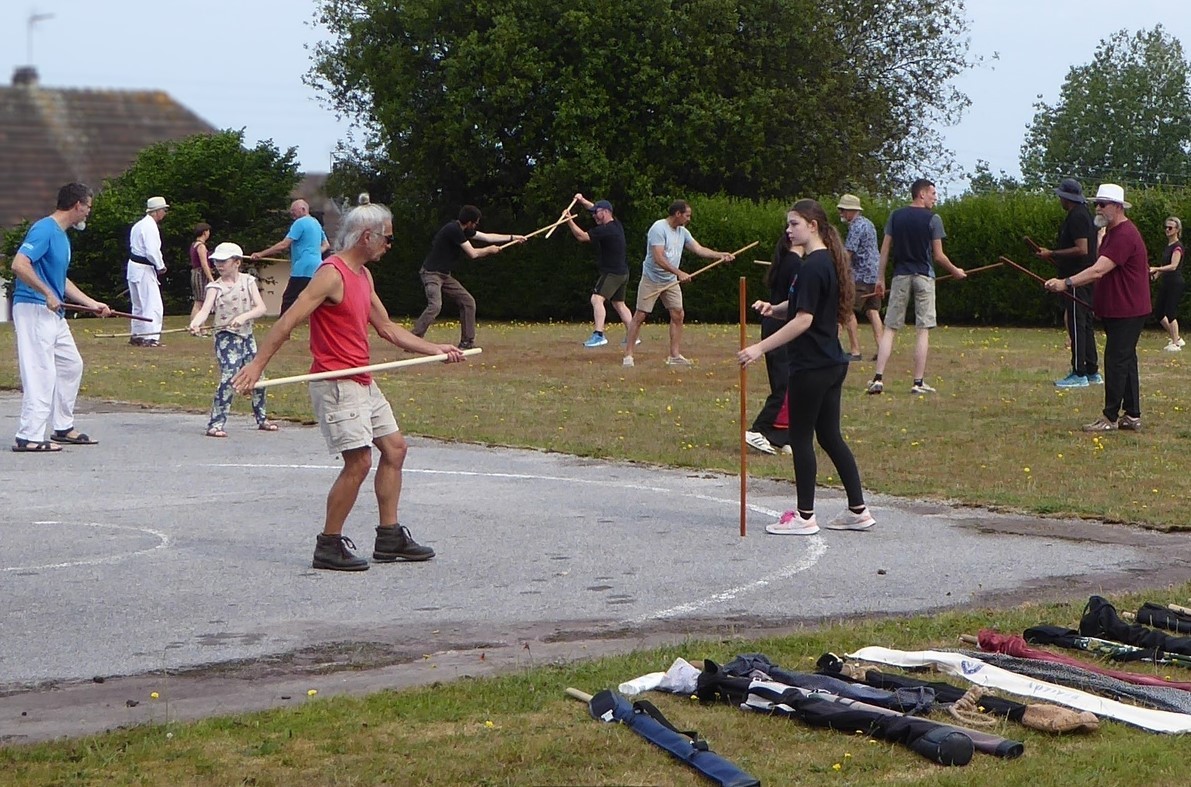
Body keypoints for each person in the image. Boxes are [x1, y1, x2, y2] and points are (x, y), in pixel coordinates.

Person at [232, 201, 466, 571]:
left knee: (395, 449)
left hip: (362, 378)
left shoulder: (363, 276)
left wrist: (436, 348)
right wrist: (257, 365)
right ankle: (328, 544)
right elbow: (288, 321)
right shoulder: (332, 274)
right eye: (387, 238)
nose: (390, 245)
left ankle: (389, 537)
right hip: (336, 382)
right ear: (367, 236)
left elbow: (387, 328)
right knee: (358, 462)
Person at [737, 199, 874, 535]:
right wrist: (774, 308)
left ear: (812, 226)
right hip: (830, 361)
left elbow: (804, 320)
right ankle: (858, 510)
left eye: (794, 223)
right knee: (829, 436)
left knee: (800, 438)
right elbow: (800, 307)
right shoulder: (822, 262)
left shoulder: (813, 266)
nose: (788, 230)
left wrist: (759, 347)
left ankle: (804, 516)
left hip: (812, 366)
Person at [9, 182, 112, 452]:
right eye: (88, 206)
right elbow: (19, 264)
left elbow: (61, 281)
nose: (88, 212)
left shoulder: (62, 237)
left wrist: (93, 303)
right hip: (34, 308)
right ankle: (29, 435)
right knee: (41, 370)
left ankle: (62, 427)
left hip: (53, 314)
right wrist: (46, 292)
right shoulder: (44, 229)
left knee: (71, 365)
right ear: (77, 205)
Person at [1045, 184, 1150, 432]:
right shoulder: (1112, 232)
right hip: (1121, 308)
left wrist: (1066, 283)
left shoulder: (1124, 234)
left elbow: (1098, 270)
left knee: (1115, 361)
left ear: (1118, 207)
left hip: (1128, 309)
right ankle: (1132, 415)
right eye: (1097, 203)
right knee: (1126, 360)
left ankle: (1110, 418)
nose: (1098, 208)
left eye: (1103, 204)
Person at [866, 179, 965, 394]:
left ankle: (878, 378)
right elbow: (938, 256)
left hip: (900, 275)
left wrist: (880, 278)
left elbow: (884, 250)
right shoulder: (933, 219)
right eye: (933, 193)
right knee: (922, 330)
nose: (935, 198)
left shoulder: (895, 216)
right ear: (921, 194)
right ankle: (918, 382)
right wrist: (955, 271)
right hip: (924, 276)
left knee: (890, 328)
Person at [622, 200, 736, 367]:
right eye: (687, 215)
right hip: (652, 278)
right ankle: (628, 355)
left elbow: (699, 249)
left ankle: (674, 356)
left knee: (678, 314)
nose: (689, 219)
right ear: (678, 214)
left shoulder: (682, 232)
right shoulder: (658, 229)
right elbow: (659, 258)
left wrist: (720, 255)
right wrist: (679, 273)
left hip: (670, 280)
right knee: (640, 315)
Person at [188, 242, 277, 437]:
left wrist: (243, 317)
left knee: (258, 378)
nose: (219, 265)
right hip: (226, 338)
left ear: (237, 262)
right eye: (217, 261)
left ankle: (262, 418)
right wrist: (196, 323)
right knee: (229, 378)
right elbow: (204, 310)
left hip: (247, 336)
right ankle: (216, 423)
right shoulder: (215, 287)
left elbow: (260, 308)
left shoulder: (248, 281)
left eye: (223, 261)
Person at [411, 205, 526, 349]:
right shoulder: (453, 230)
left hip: (444, 275)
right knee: (435, 306)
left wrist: (513, 237)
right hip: (431, 273)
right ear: (470, 221)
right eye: (476, 222)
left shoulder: (464, 229)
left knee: (468, 302)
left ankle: (467, 342)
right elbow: (473, 253)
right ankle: (413, 340)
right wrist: (489, 250)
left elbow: (487, 237)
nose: (476, 225)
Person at [1034, 178, 1100, 387]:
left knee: (1076, 324)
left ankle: (1079, 373)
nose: (1059, 199)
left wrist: (1052, 252)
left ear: (1066, 197)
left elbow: (1082, 249)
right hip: (1081, 276)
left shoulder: (1077, 217)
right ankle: (1092, 371)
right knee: (1085, 324)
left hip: (1076, 279)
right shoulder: (1084, 214)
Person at [744, 233, 802, 455]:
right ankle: (759, 429)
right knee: (783, 385)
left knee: (788, 384)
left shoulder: (785, 260)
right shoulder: (796, 263)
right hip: (780, 325)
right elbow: (795, 299)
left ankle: (782, 435)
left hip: (773, 324)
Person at [565, 194, 634, 348]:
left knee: (596, 299)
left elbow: (582, 236)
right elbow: (592, 207)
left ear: (606, 212)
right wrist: (582, 201)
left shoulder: (607, 230)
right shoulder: (616, 224)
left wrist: (568, 220)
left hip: (612, 273)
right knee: (619, 304)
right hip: (622, 272)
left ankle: (599, 335)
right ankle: (633, 335)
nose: (594, 215)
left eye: (597, 213)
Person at [251, 199, 330, 315]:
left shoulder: (300, 223)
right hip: (317, 267)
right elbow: (326, 245)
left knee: (289, 300)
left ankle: (282, 331)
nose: (292, 214)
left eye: (294, 211)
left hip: (302, 268)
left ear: (303, 209)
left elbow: (284, 244)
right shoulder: (316, 223)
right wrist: (313, 253)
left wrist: (260, 254)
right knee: (315, 299)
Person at [836, 194, 882, 361]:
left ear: (851, 211)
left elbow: (848, 254)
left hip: (860, 276)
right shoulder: (868, 224)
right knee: (873, 310)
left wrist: (837, 269)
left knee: (847, 310)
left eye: (843, 210)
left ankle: (855, 351)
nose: (841, 213)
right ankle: (882, 349)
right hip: (875, 275)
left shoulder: (856, 227)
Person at [127, 196, 169, 346]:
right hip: (144, 268)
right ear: (157, 211)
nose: (165, 213)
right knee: (153, 305)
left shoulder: (139, 225)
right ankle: (151, 337)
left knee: (138, 304)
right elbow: (152, 251)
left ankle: (137, 334)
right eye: (164, 210)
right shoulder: (150, 227)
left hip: (134, 268)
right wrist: (160, 265)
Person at [1150, 216, 1184, 352]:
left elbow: (1173, 266)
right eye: (1166, 227)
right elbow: (1164, 266)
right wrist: (1154, 276)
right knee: (1158, 312)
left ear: (1177, 230)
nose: (1167, 230)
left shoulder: (1177, 247)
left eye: (1170, 228)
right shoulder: (1168, 247)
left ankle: (1175, 343)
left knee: (1170, 312)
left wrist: (1157, 269)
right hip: (1166, 282)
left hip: (1175, 283)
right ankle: (1176, 338)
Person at [189, 223, 214, 326]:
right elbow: (204, 264)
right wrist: (211, 278)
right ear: (204, 232)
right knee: (199, 302)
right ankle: (195, 326)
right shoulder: (201, 246)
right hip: (200, 274)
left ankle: (201, 326)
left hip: (196, 273)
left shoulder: (194, 244)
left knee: (201, 302)